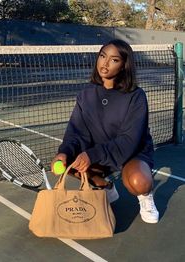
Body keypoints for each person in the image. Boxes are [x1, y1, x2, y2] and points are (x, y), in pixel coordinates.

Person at [51, 39, 159, 224]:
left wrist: (92, 155)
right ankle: (106, 187)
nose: (105, 63)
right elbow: (76, 130)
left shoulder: (136, 96)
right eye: (103, 56)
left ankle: (146, 196)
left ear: (124, 65)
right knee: (67, 162)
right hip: (100, 152)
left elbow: (129, 140)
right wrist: (64, 152)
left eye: (114, 60)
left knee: (138, 182)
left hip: (132, 153)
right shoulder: (86, 94)